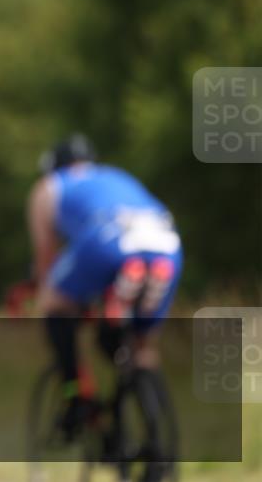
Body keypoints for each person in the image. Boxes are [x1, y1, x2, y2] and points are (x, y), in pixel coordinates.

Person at [27, 134, 183, 439]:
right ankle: (157, 443)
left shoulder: (49, 186)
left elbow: (46, 258)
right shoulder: (115, 175)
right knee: (140, 348)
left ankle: (76, 399)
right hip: (166, 244)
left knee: (53, 304)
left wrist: (45, 290)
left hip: (109, 240)